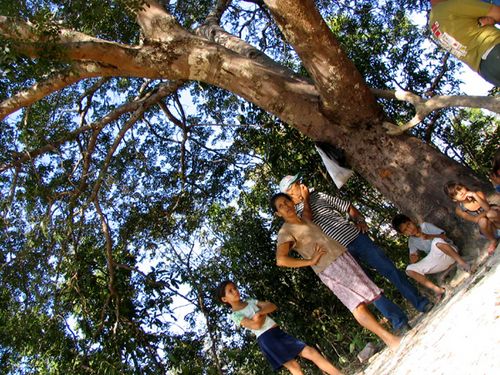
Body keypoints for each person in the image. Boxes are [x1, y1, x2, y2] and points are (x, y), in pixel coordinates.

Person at [279, 175, 433, 332]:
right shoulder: (295, 215)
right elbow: (308, 221)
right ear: (290, 192)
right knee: (368, 289)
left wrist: (359, 219)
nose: (302, 184)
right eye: (297, 184)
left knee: (390, 269)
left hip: (358, 239)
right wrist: (305, 200)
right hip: (340, 255)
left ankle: (420, 303)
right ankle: (399, 322)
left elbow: (347, 207)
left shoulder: (319, 195)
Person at [271, 193, 402, 350]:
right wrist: (310, 261)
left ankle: (394, 333)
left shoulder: (303, 218)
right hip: (329, 268)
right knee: (356, 304)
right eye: (281, 206)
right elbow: (281, 260)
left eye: (287, 201)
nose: (286, 206)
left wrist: (305, 198)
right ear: (278, 213)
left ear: (292, 202)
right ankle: (390, 339)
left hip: (342, 256)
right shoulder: (285, 232)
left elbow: (306, 212)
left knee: (370, 291)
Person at [216, 280, 343, 375]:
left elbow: (272, 306)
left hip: (277, 332)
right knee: (295, 367)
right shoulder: (235, 315)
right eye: (230, 291)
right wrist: (261, 312)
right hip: (266, 339)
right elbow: (256, 325)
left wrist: (259, 313)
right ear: (224, 299)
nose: (235, 291)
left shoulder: (250, 301)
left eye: (235, 288)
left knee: (310, 352)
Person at [392, 214, 472, 297]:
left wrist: (429, 236)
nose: (410, 229)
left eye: (409, 225)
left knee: (436, 241)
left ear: (411, 220)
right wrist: (414, 258)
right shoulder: (411, 241)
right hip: (437, 262)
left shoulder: (425, 226)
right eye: (405, 230)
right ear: (404, 234)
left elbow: (444, 237)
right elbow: (413, 258)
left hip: (449, 252)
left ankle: (462, 263)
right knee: (409, 269)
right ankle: (438, 290)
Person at [428, 0, 500, 86]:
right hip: (494, 50)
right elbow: (498, 13)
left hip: (488, 73)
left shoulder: (433, 25)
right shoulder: (451, 5)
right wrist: (493, 20)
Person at [444, 181, 500, 255]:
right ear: (454, 199)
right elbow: (476, 219)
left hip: (496, 220)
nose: (460, 193)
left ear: (464, 187)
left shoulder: (478, 194)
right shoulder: (460, 210)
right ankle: (493, 240)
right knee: (482, 221)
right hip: (488, 228)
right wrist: (487, 211)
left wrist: (474, 195)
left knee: (491, 214)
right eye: (456, 194)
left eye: (460, 189)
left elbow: (487, 208)